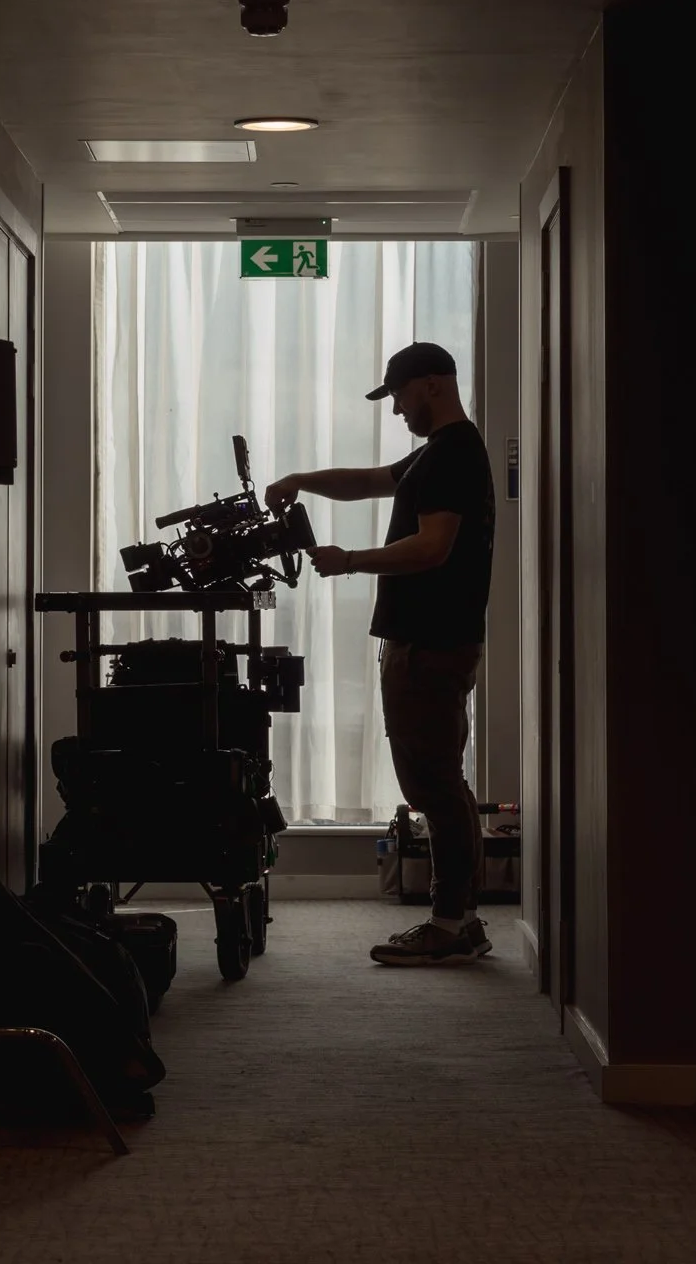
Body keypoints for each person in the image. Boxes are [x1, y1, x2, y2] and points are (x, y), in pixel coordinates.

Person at [265, 341, 496, 966]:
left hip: (429, 645)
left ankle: (449, 924)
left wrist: (349, 563)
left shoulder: (454, 454)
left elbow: (433, 548)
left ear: (431, 385)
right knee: (443, 783)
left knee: (437, 786)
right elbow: (370, 481)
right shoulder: (441, 453)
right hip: (426, 642)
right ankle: (463, 921)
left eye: (397, 394)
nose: (394, 409)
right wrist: (301, 480)